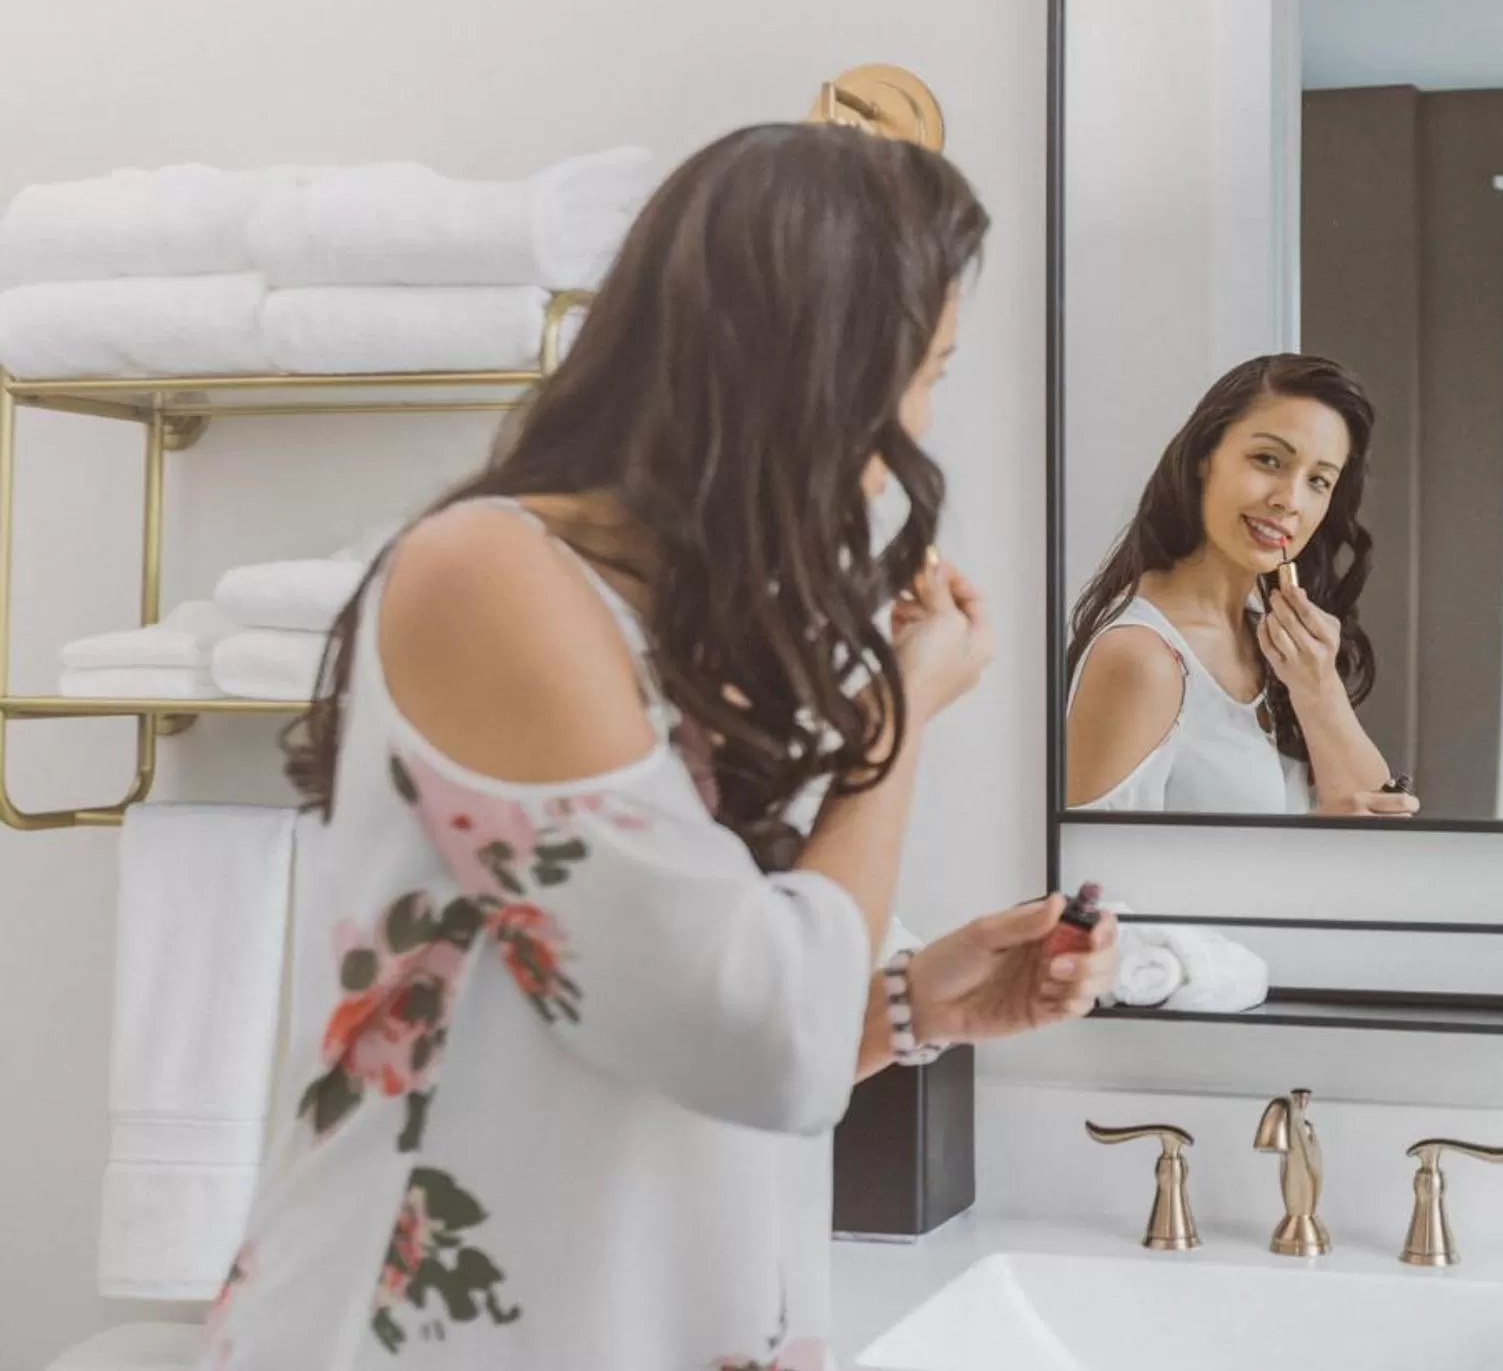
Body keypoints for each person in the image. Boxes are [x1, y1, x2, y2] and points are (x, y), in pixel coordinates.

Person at [200, 124, 1116, 1369]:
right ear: (822, 369)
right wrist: (899, 709)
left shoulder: (667, 621)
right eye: (929, 369)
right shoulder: (494, 576)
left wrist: (909, 1005)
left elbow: (659, 1028)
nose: (919, 423)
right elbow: (758, 1042)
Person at [1064, 354, 1418, 818]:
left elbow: (1382, 839)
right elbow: (1088, 882)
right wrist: (1303, 853)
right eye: (1268, 460)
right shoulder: (1140, 660)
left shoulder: (1281, 646)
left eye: (1318, 480)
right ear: (1202, 458)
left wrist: (1319, 687)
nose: (1289, 500)